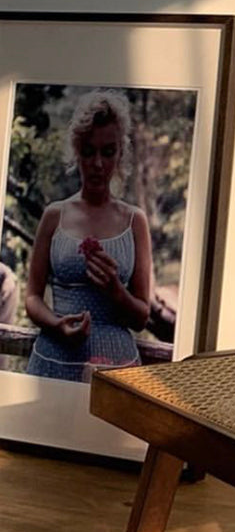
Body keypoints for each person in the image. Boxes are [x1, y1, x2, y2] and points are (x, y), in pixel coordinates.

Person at [24, 89, 152, 382]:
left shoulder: (134, 221)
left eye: (107, 152)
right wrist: (56, 325)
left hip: (115, 369)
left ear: (120, 154)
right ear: (76, 152)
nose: (97, 164)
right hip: (54, 362)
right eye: (88, 151)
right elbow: (32, 296)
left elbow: (141, 317)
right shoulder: (54, 216)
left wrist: (115, 290)